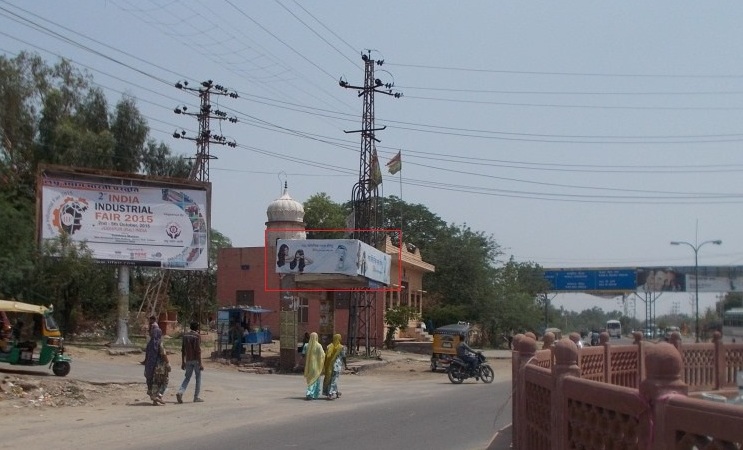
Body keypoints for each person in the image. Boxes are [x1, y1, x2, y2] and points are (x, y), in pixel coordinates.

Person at [176, 321, 204, 404]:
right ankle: (196, 397)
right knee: (198, 377)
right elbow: (198, 351)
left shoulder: (185, 335)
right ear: (197, 328)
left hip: (188, 359)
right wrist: (200, 363)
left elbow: (183, 350)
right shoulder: (197, 336)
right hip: (195, 359)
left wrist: (183, 362)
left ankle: (180, 392)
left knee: (187, 377)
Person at [144, 324, 170, 405]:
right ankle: (159, 395)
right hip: (160, 366)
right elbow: (163, 354)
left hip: (150, 366)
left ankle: (155, 399)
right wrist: (168, 363)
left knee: (155, 382)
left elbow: (146, 356)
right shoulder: (159, 343)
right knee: (165, 381)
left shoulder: (149, 344)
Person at [322, 333, 347, 400]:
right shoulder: (341, 347)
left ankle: (336, 392)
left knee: (331, 379)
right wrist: (346, 365)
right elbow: (344, 357)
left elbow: (326, 356)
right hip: (336, 366)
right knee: (334, 380)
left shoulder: (329, 346)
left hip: (329, 365)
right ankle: (330, 393)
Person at [303, 332, 325, 400]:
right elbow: (323, 355)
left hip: (309, 366)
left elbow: (303, 354)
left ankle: (310, 393)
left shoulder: (306, 345)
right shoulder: (319, 346)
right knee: (315, 380)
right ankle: (312, 394)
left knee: (310, 380)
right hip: (316, 367)